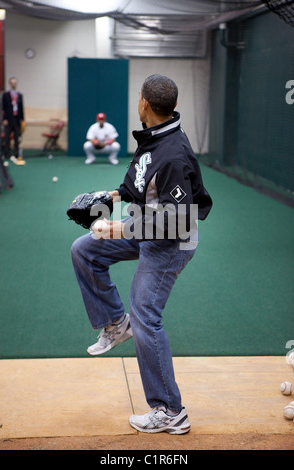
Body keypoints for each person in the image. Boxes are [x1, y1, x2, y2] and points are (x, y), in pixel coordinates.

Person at [71, 74, 212, 434]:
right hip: (147, 228)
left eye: (138, 97)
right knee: (85, 250)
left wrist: (115, 228)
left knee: (146, 317)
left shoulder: (173, 154)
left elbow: (176, 221)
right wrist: (109, 198)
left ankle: (170, 410)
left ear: (144, 103)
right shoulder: (154, 136)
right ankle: (116, 324)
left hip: (172, 241)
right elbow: (135, 184)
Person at [2, 77, 26, 165]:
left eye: (15, 82)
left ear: (16, 83)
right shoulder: (6, 95)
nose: (13, 84)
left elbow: (21, 108)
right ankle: (7, 153)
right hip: (8, 119)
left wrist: (22, 120)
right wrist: (4, 119)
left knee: (17, 137)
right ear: (10, 84)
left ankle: (16, 153)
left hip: (17, 119)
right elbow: (4, 108)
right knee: (7, 137)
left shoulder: (20, 95)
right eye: (12, 82)